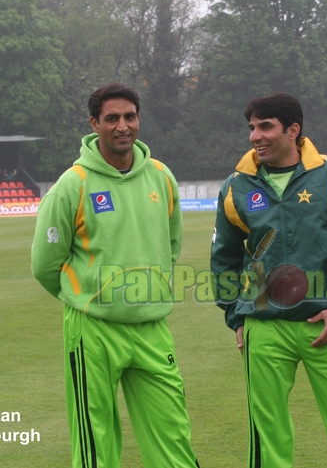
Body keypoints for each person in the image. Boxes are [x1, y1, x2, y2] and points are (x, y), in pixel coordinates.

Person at [31, 83, 199, 468]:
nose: (123, 126)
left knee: (173, 436)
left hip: (153, 327)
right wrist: (85, 297)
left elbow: (171, 245)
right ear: (95, 124)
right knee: (96, 439)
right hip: (93, 328)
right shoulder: (72, 185)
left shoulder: (160, 176)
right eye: (112, 119)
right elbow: (44, 264)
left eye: (130, 117)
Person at [210, 92, 327, 467]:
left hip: (323, 322)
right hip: (263, 327)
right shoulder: (236, 187)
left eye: (265, 127)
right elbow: (224, 261)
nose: (255, 136)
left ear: (293, 130)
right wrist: (235, 316)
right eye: (252, 128)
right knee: (268, 437)